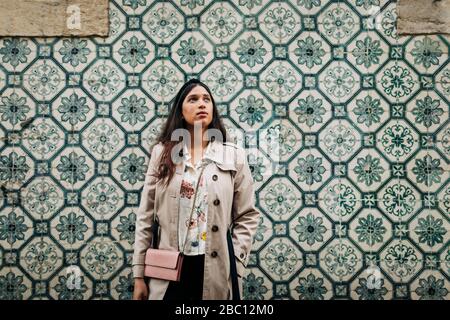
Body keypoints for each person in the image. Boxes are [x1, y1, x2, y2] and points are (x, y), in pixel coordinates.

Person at [132, 78, 260, 300]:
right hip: (168, 271)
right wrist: (139, 277)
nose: (202, 104)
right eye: (193, 99)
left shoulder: (233, 155)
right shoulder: (162, 154)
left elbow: (247, 215)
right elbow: (145, 217)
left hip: (215, 269)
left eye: (207, 99)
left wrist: (235, 263)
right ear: (181, 112)